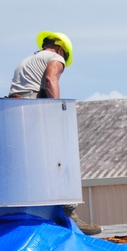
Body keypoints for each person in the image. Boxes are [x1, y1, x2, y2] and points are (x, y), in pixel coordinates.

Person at [8, 31, 101, 235]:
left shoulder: (26, 61)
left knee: (34, 164)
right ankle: (69, 215)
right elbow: (51, 80)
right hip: (33, 108)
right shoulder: (55, 58)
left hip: (15, 111)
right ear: (60, 49)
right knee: (62, 159)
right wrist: (56, 109)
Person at [8, 31, 73, 99]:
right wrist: (56, 106)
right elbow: (50, 79)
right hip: (33, 103)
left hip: (12, 103)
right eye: (65, 56)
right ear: (61, 49)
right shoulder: (56, 57)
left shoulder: (26, 60)